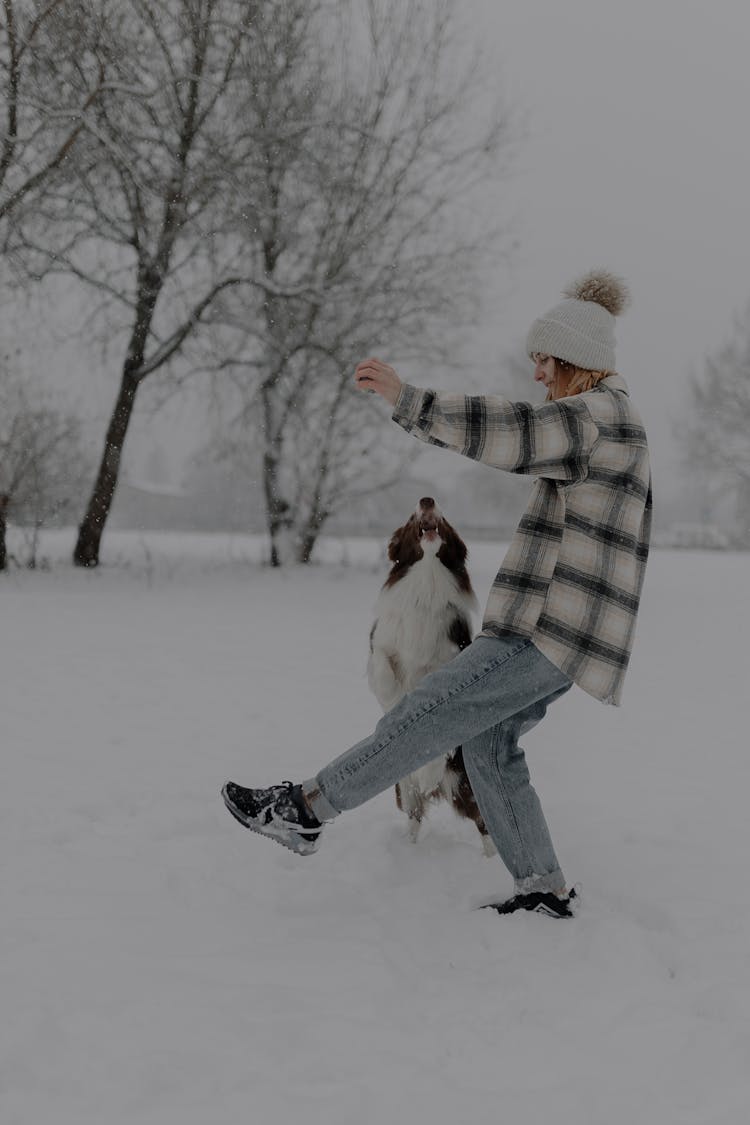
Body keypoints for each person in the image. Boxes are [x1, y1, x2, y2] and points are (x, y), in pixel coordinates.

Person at [222, 270, 652, 919]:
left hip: (547, 630)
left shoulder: (594, 419)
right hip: (562, 635)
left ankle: (304, 809)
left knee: (430, 708)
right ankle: (542, 887)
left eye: (544, 360)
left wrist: (410, 400)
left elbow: (513, 430)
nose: (537, 373)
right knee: (487, 742)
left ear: (576, 362)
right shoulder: (611, 421)